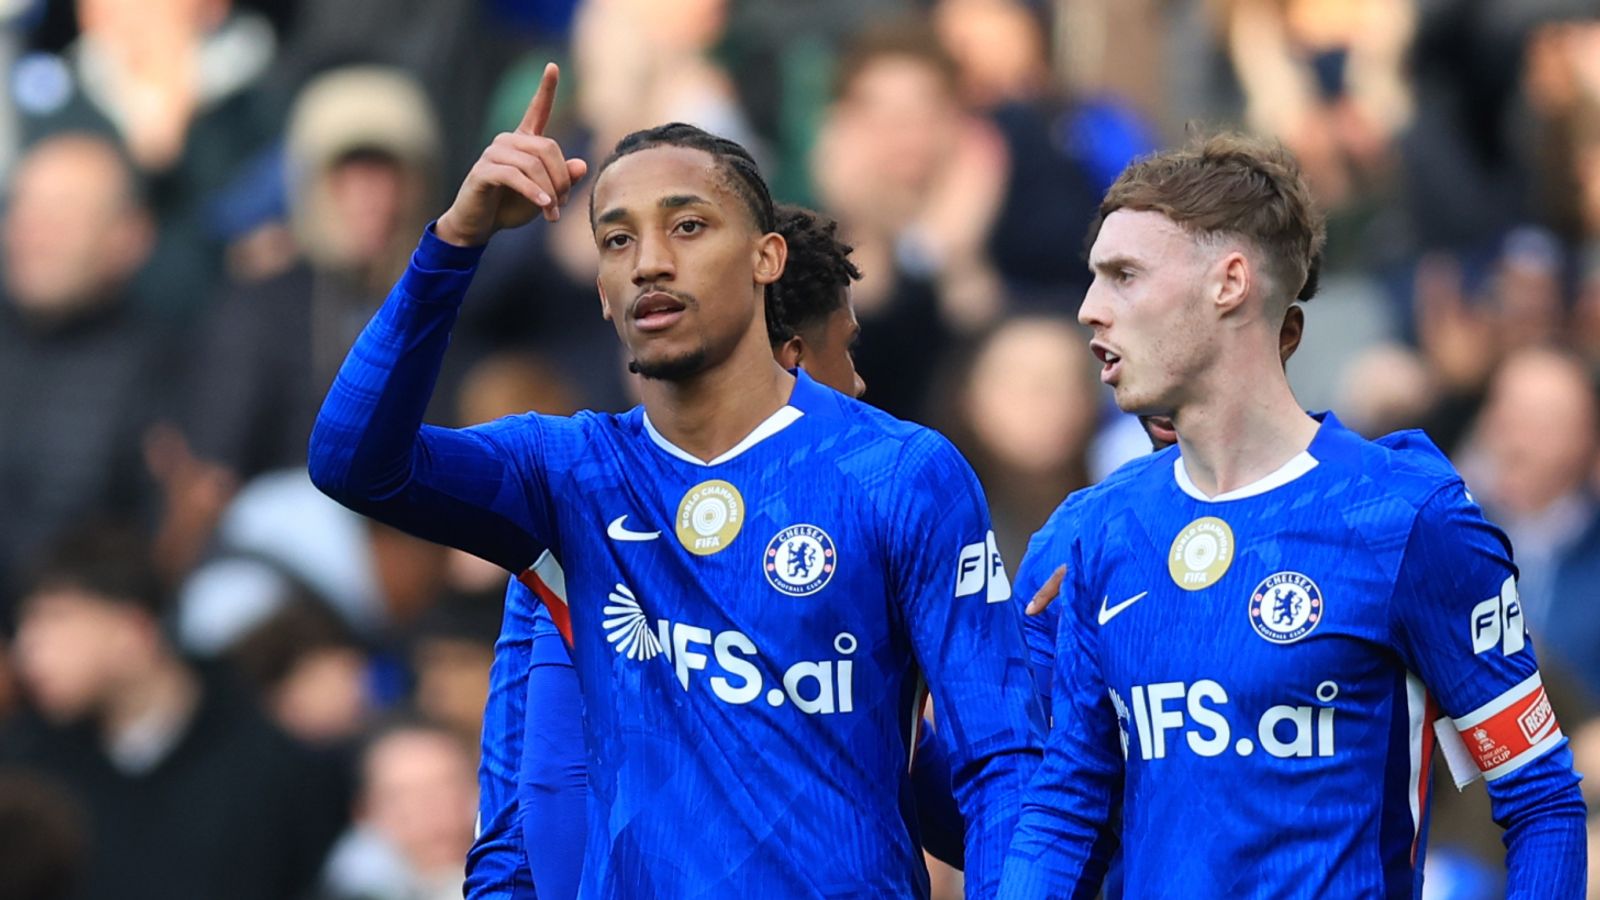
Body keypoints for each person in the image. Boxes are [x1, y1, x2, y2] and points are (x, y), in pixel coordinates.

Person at [309, 65, 1041, 897]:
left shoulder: (901, 473)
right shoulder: (568, 475)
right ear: (600, 292)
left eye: (688, 226)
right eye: (618, 240)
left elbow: (1000, 766)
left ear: (767, 258)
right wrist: (457, 241)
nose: (650, 261)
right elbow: (352, 461)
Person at [999, 134, 1586, 898]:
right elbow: (1063, 808)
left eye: (1124, 276)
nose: (1089, 309)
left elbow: (1539, 796)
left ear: (1229, 283)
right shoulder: (1099, 528)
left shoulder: (1403, 517)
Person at [468, 202, 871, 899]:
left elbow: (509, 814)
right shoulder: (582, 512)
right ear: (796, 358)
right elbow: (540, 789)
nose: (860, 381)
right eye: (848, 346)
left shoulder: (880, 514)